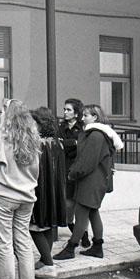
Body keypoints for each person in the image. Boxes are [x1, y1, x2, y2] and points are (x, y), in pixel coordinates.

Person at [0, 99, 41, 279]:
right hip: (27, 196)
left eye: (2, 111)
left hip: (3, 196)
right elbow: (36, 171)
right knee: (23, 242)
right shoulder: (33, 138)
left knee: (4, 244)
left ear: (7, 116)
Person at [53, 104, 123, 261]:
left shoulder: (95, 136)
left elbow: (87, 161)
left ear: (95, 117)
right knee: (92, 212)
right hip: (95, 180)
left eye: (86, 115)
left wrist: (73, 173)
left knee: (81, 215)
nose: (82, 118)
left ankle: (70, 248)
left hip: (90, 181)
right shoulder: (100, 134)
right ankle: (97, 247)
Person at [29, 107, 68, 271]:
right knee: (49, 225)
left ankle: (48, 262)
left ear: (41, 124)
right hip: (55, 189)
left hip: (40, 189)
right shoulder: (58, 142)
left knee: (35, 227)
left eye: (34, 122)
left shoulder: (37, 144)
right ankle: (45, 259)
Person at [58, 98, 90, 247]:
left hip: (79, 169)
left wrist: (69, 145)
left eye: (68, 110)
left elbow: (84, 147)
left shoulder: (83, 127)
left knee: (81, 206)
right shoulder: (61, 126)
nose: (65, 112)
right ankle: (76, 229)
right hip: (65, 169)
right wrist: (74, 143)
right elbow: (58, 144)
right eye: (64, 109)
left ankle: (84, 235)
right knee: (68, 205)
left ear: (76, 113)